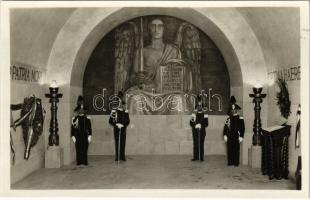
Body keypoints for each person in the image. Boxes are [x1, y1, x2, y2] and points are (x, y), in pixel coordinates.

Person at [223, 96, 245, 166]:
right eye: (232, 110)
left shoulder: (240, 118)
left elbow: (242, 128)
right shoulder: (228, 118)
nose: (233, 111)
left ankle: (235, 162)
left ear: (236, 110)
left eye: (234, 109)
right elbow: (226, 127)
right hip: (229, 135)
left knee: (236, 149)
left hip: (236, 135)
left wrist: (241, 136)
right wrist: (225, 135)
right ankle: (230, 162)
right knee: (229, 149)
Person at [109, 91, 130, 161]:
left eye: (121, 97)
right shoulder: (114, 109)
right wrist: (116, 124)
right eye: (119, 97)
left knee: (123, 142)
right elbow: (110, 121)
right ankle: (117, 157)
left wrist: (123, 125)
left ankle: (122, 156)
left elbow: (128, 121)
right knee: (117, 142)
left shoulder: (125, 110)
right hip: (116, 129)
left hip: (123, 129)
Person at [71, 96, 92, 166]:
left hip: (85, 135)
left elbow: (89, 127)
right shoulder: (75, 118)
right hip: (78, 135)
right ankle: (79, 162)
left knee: (85, 148)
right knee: (78, 149)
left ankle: (85, 161)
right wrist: (73, 135)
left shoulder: (87, 118)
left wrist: (90, 135)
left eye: (82, 109)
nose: (81, 110)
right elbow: (73, 127)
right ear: (78, 111)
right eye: (80, 109)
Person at [190, 94, 208, 161]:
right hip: (195, 131)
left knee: (201, 144)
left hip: (202, 131)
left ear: (202, 107)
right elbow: (191, 123)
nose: (199, 107)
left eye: (200, 106)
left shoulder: (205, 114)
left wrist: (201, 125)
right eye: (198, 106)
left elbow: (206, 124)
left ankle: (201, 158)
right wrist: (195, 125)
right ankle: (196, 157)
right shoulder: (194, 114)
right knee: (195, 144)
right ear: (196, 107)